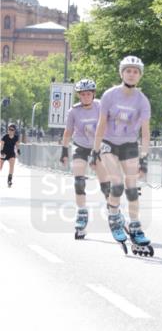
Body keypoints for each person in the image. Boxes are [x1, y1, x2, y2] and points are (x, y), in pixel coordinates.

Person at [91, 55, 152, 253]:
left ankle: (135, 226)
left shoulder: (142, 101)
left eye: (135, 72)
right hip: (109, 143)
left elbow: (145, 131)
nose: (132, 74)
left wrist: (144, 157)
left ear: (140, 76)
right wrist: (95, 150)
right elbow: (101, 124)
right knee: (117, 185)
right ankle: (115, 219)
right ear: (122, 73)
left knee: (132, 189)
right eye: (128, 71)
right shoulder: (110, 95)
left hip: (129, 144)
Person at [60, 79, 108, 238]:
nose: (86, 96)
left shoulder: (101, 106)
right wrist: (64, 150)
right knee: (79, 181)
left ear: (93, 94)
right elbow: (68, 132)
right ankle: (81, 213)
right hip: (80, 146)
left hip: (98, 146)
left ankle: (114, 210)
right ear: (79, 95)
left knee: (105, 185)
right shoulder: (73, 111)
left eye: (89, 93)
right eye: (83, 94)